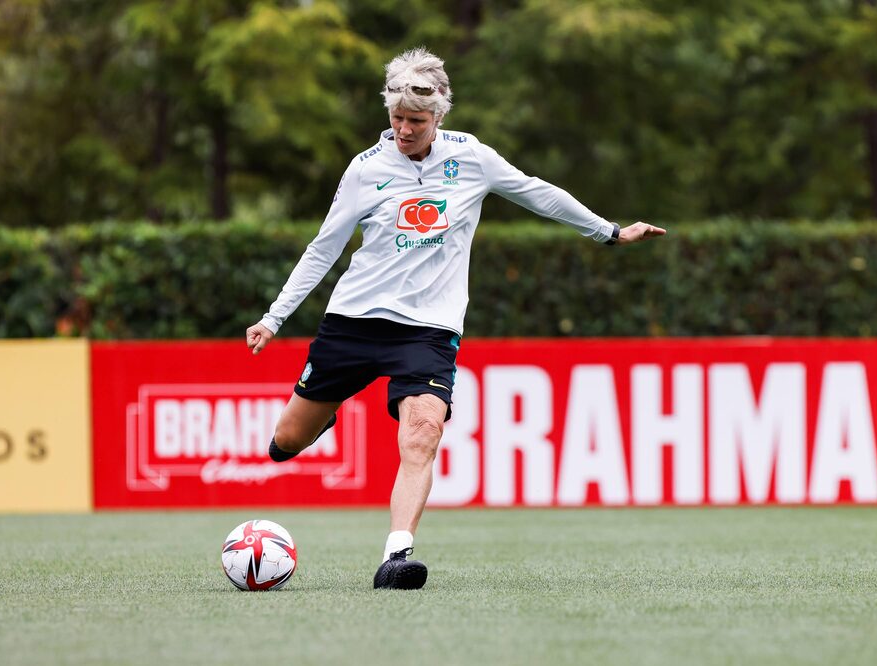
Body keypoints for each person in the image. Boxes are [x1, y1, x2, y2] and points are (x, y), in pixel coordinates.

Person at [246, 47, 665, 590]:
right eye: (396, 117)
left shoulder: (472, 158)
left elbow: (538, 193)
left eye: (416, 121)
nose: (403, 129)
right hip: (355, 321)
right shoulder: (366, 168)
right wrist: (274, 317)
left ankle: (396, 556)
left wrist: (609, 232)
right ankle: (323, 415)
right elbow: (324, 247)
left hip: (429, 329)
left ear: (439, 115)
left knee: (424, 431)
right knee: (286, 441)